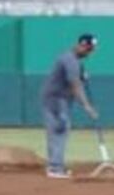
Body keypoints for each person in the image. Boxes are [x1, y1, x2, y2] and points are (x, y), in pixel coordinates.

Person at [39, 33, 99, 179]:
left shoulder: (74, 61)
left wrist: (82, 76)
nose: (89, 53)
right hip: (56, 99)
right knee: (60, 129)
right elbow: (75, 85)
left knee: (60, 129)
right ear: (82, 45)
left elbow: (77, 81)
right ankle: (55, 168)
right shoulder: (70, 61)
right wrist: (87, 106)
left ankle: (55, 165)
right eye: (89, 49)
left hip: (59, 99)